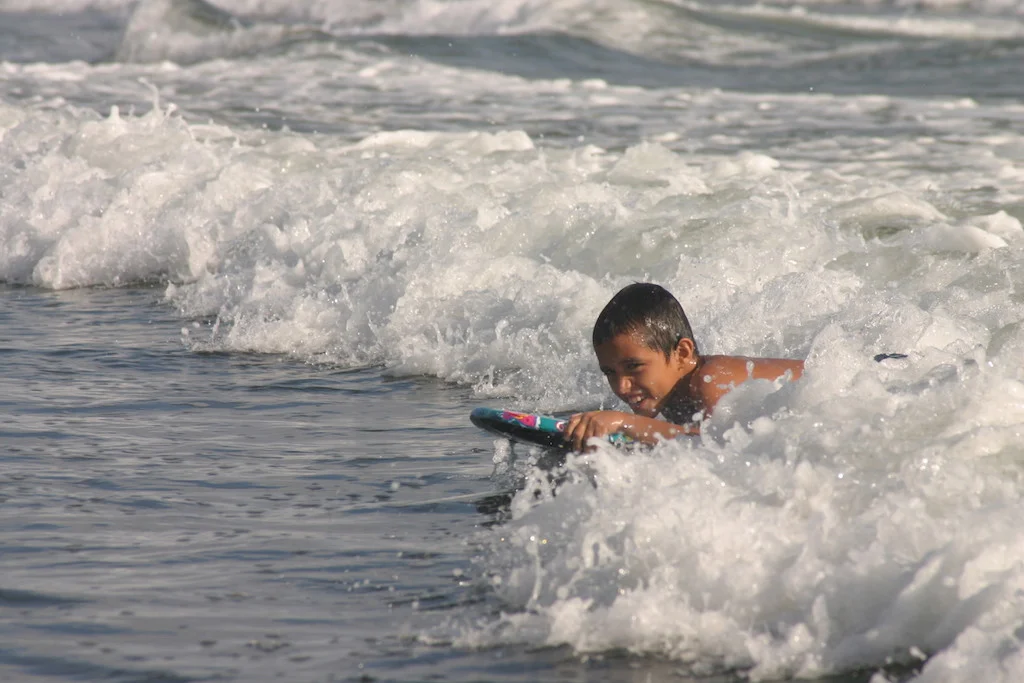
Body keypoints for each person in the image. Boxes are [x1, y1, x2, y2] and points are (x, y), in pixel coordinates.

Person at [564, 283, 804, 450]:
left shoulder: (710, 380)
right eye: (610, 372)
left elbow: (716, 444)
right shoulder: (669, 393)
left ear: (682, 353)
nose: (622, 386)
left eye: (634, 366)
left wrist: (623, 422)